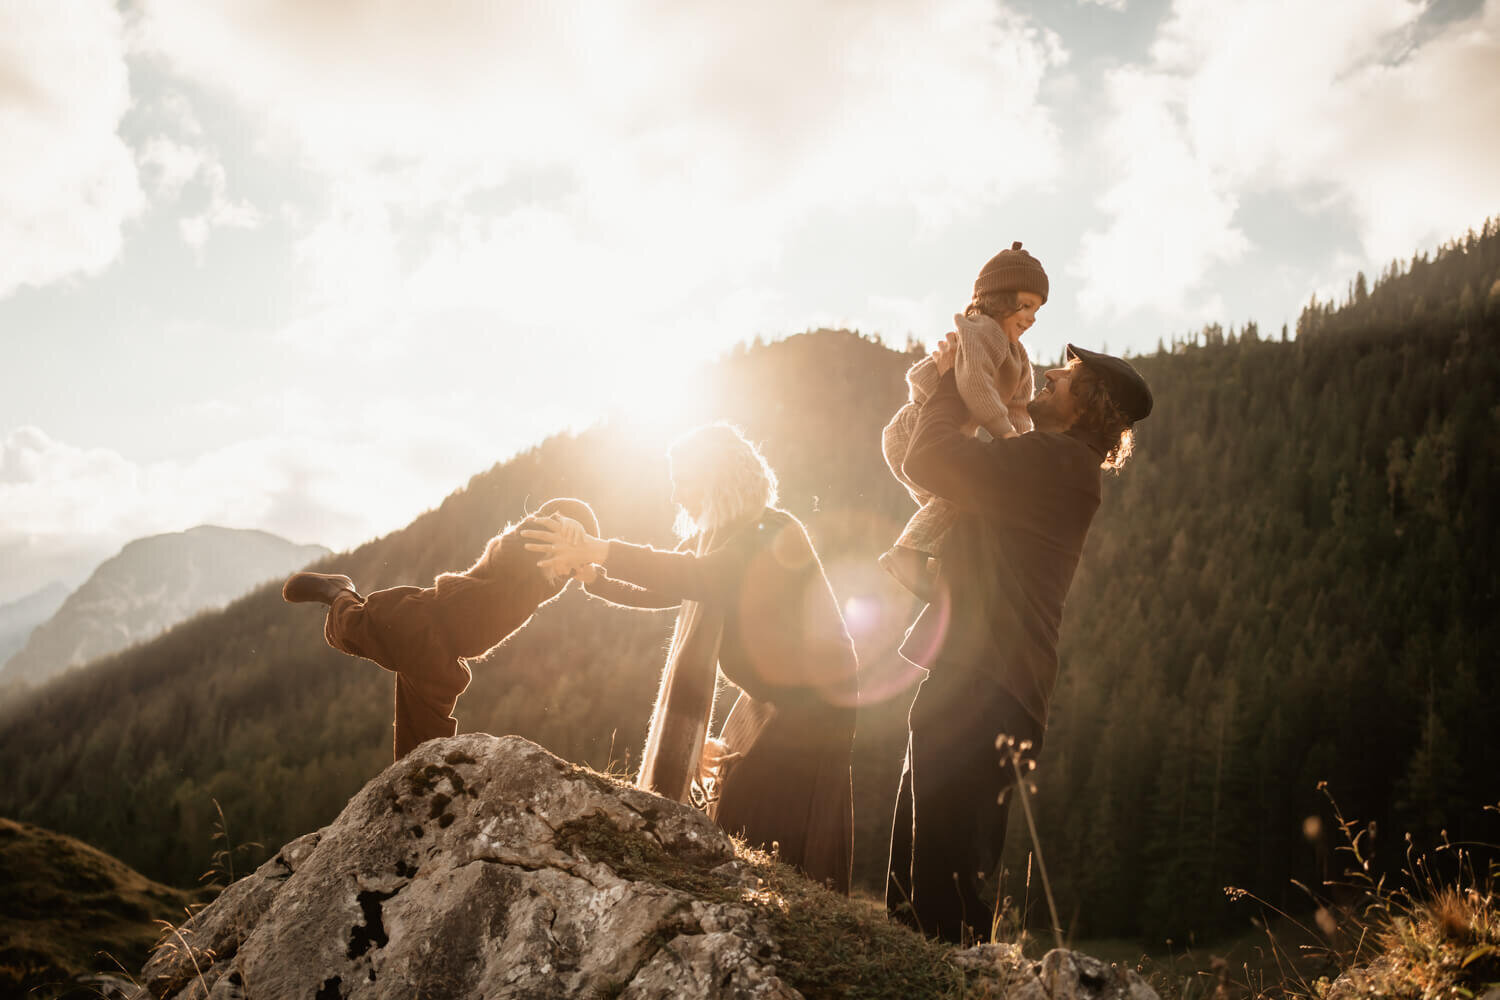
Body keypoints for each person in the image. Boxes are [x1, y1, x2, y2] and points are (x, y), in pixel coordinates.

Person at [885, 336, 1152, 944]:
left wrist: (956, 381)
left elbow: (930, 458)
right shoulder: (1050, 464)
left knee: (945, 876)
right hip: (984, 677)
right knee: (924, 858)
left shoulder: (1055, 464)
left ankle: (950, 977)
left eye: (1068, 374)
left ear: (1089, 406)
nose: (1052, 373)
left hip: (988, 682)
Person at [524, 424, 859, 894]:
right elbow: (666, 584)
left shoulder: (770, 532)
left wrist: (600, 550)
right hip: (770, 697)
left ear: (717, 478)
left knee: (758, 814)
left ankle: (792, 919)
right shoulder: (722, 537)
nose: (678, 494)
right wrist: (592, 574)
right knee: (739, 811)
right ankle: (776, 909)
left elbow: (697, 576)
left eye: (685, 479)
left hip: (818, 699)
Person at [281, 498, 599, 761]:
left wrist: (586, 566)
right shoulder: (522, 550)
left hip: (449, 653)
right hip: (430, 621)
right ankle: (339, 592)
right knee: (356, 629)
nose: (568, 565)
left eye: (574, 559)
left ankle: (416, 776)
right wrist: (551, 526)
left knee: (423, 735)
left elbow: (584, 571)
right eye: (566, 546)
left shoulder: (547, 582)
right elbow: (506, 548)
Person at [880, 241, 1049, 600]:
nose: (1033, 318)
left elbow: (1019, 409)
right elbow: (974, 385)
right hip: (915, 428)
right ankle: (908, 553)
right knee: (959, 494)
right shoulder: (981, 331)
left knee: (959, 508)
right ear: (1001, 299)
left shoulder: (1018, 357)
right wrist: (1005, 435)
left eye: (1039, 310)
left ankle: (935, 562)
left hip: (940, 434)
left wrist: (1023, 446)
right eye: (1028, 305)